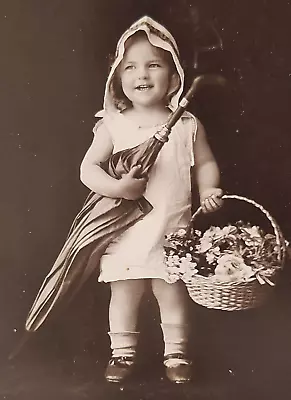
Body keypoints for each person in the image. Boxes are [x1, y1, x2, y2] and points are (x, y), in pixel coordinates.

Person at [80, 16, 223, 384]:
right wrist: (119, 189)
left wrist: (209, 189)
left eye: (153, 65)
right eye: (130, 67)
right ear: (118, 77)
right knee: (124, 291)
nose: (141, 74)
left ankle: (176, 353)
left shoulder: (188, 124)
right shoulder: (113, 123)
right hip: (126, 229)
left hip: (171, 230)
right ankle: (122, 354)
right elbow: (89, 169)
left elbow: (204, 162)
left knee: (170, 291)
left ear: (174, 77)